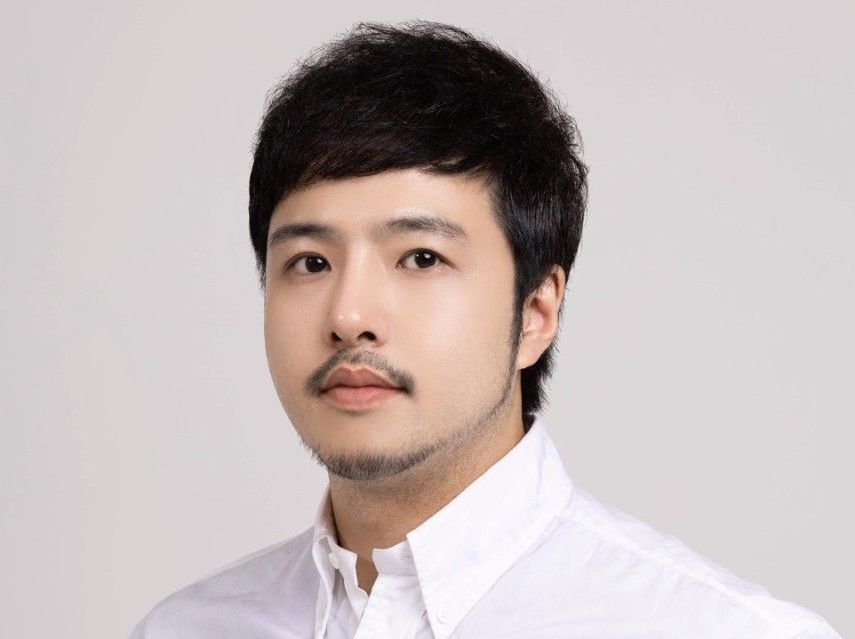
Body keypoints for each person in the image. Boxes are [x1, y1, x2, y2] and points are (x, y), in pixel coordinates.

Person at [129, 20, 841, 639]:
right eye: (310, 261)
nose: (348, 315)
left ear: (536, 312)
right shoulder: (186, 627)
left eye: (420, 257)